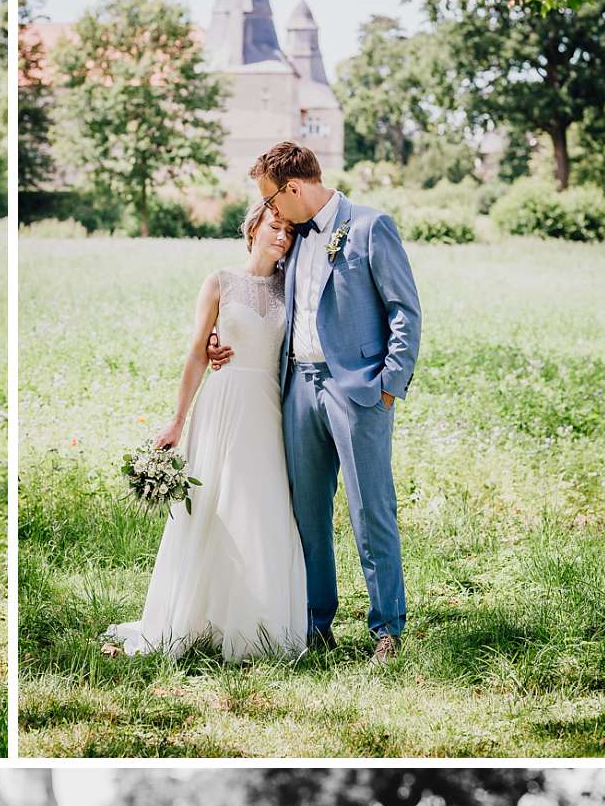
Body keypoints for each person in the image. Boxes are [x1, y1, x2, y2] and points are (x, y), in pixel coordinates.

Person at [207, 142, 422, 661]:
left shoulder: (371, 228)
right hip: (296, 389)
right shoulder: (294, 238)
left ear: (294, 187)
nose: (271, 212)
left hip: (359, 391)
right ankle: (315, 623)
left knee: (371, 508)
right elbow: (260, 294)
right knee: (307, 512)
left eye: (273, 199)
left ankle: (387, 628)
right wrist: (219, 335)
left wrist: (389, 384)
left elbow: (404, 310)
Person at [104, 202, 306, 662]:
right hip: (222, 403)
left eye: (290, 232)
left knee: (262, 506)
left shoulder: (288, 287)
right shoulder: (219, 282)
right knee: (212, 505)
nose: (282, 237)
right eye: (275, 227)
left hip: (269, 405)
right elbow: (197, 353)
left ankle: (257, 623)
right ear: (253, 228)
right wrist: (177, 419)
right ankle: (197, 619)